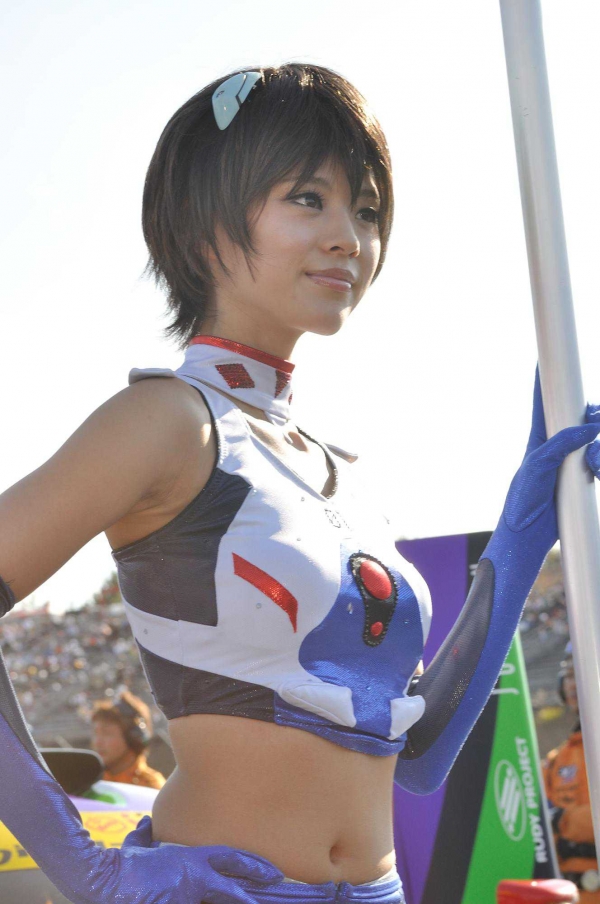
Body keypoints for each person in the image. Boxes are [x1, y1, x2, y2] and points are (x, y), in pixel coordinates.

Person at [1, 62, 600, 904]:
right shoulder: (166, 422)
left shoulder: (340, 478)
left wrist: (527, 522)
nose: (350, 238)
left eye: (368, 210)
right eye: (308, 199)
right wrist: (90, 871)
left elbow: (417, 757)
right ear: (204, 220)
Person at [544, 649, 599, 902]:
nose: (572, 684)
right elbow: (540, 825)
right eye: (568, 675)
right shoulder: (557, 761)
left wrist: (562, 820)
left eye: (579, 673)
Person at [90, 691, 166, 790]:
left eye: (107, 733)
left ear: (133, 737)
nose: (97, 742)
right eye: (96, 733)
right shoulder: (86, 781)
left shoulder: (151, 787)